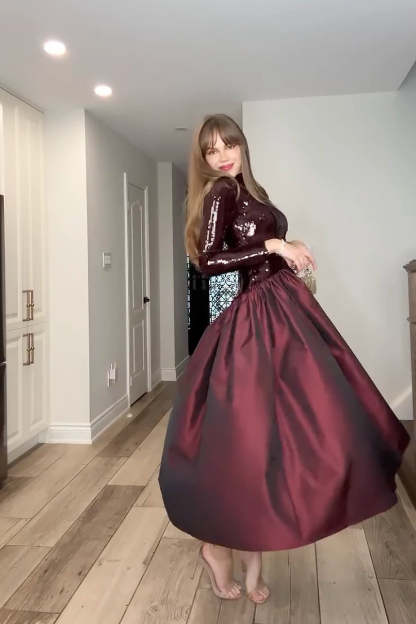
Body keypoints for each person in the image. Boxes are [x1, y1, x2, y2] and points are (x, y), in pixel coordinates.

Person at [158, 113, 410, 604]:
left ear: (242, 144)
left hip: (281, 309)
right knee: (252, 443)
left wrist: (291, 247)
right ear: (203, 158)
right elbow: (208, 261)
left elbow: (257, 248)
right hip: (255, 320)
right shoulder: (221, 192)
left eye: (228, 144)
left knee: (278, 440)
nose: (222, 155)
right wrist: (274, 243)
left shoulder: (252, 190)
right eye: (211, 150)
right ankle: (218, 548)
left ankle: (250, 559)